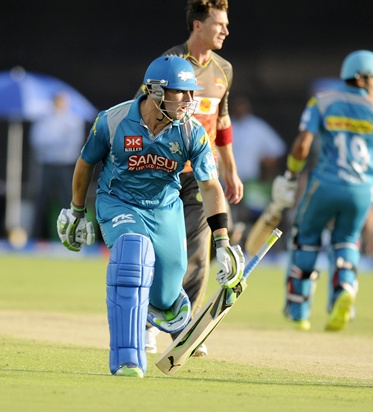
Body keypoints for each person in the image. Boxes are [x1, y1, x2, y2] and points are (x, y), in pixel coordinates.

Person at [56, 56, 245, 378]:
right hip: (119, 203)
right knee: (132, 253)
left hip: (165, 208)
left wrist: (222, 241)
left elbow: (211, 187)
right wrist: (76, 211)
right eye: (181, 93)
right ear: (156, 92)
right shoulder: (111, 121)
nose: (189, 100)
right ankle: (128, 358)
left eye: (191, 93)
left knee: (167, 299)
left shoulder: (192, 131)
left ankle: (167, 309)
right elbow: (85, 163)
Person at [271, 50, 373, 332]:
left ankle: (299, 310)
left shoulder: (323, 100)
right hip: (363, 189)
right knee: (348, 241)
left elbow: (303, 145)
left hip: (325, 185)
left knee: (306, 238)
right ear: (363, 77)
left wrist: (291, 175)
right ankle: (343, 293)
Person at [143, 0, 244, 357]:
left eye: (226, 24)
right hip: (165, 169)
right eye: (219, 23)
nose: (226, 30)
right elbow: (145, 114)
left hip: (203, 172)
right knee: (164, 251)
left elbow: (222, 122)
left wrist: (229, 169)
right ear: (197, 26)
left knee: (199, 252)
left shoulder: (224, 70)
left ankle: (181, 328)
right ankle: (146, 324)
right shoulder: (169, 64)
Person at [29, 92, 86, 240]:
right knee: (41, 201)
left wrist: (54, 143)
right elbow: (37, 141)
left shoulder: (73, 120)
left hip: (65, 166)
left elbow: (74, 144)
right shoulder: (44, 120)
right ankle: (34, 237)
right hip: (47, 165)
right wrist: (57, 142)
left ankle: (71, 236)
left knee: (68, 200)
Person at [231, 96, 286, 227]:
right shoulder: (228, 124)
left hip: (251, 181)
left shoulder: (257, 127)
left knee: (249, 217)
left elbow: (277, 148)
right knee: (230, 216)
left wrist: (266, 164)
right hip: (226, 181)